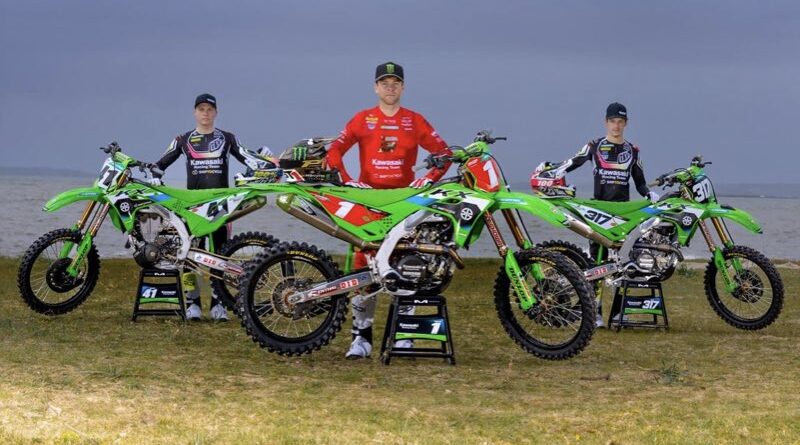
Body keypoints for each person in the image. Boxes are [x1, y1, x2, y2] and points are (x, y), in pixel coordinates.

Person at [325, 61, 452, 358]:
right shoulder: (362, 119)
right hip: (369, 203)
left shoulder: (414, 120)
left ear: (403, 88)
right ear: (376, 87)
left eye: (395, 83)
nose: (390, 88)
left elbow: (444, 153)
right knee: (364, 268)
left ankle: (403, 335)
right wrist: (347, 181)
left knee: (406, 265)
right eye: (385, 83)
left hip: (405, 203)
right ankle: (361, 338)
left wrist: (427, 180)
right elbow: (335, 150)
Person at [154, 93, 274, 321]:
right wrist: (152, 176)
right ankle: (193, 304)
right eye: (201, 109)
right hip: (192, 206)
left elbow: (249, 159)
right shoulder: (183, 140)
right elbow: (160, 164)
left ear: (216, 113)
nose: (205, 113)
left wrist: (266, 160)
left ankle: (219, 304)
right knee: (189, 256)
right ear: (194, 113)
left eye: (209, 109)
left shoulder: (228, 138)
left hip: (221, 205)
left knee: (220, 255)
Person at [551, 102, 658, 327]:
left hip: (623, 215)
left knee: (624, 263)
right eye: (612, 121)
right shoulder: (594, 146)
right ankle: (596, 313)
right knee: (597, 263)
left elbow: (640, 182)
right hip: (598, 212)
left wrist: (649, 193)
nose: (616, 126)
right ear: (606, 122)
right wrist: (552, 173)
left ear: (626, 123)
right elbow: (572, 163)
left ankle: (619, 313)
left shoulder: (633, 151)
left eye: (620, 122)